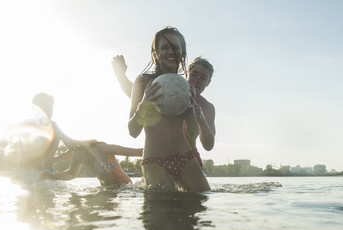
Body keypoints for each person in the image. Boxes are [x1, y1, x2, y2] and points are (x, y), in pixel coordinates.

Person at [124, 26, 209, 192]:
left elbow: (192, 134)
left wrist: (192, 111)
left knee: (202, 199)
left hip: (186, 158)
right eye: (164, 47)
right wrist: (144, 105)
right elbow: (132, 131)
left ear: (183, 53)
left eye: (176, 48)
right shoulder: (142, 82)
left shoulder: (183, 86)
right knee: (162, 207)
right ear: (156, 53)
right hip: (155, 161)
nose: (171, 52)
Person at [112, 53, 216, 168]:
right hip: (159, 159)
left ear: (208, 83)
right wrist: (120, 75)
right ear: (186, 74)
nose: (197, 80)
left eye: (203, 78)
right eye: (194, 74)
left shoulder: (207, 107)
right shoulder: (169, 93)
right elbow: (135, 93)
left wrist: (201, 118)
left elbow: (208, 145)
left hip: (190, 160)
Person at [13, 93, 72, 182]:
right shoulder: (25, 125)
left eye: (50, 108)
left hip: (47, 174)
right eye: (44, 108)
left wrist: (56, 159)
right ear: (34, 109)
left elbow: (74, 150)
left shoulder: (56, 128)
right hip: (23, 173)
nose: (48, 112)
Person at [39, 139, 143, 186]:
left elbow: (139, 152)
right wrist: (52, 175)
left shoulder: (103, 149)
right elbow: (71, 174)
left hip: (126, 191)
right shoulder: (77, 154)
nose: (69, 143)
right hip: (107, 191)